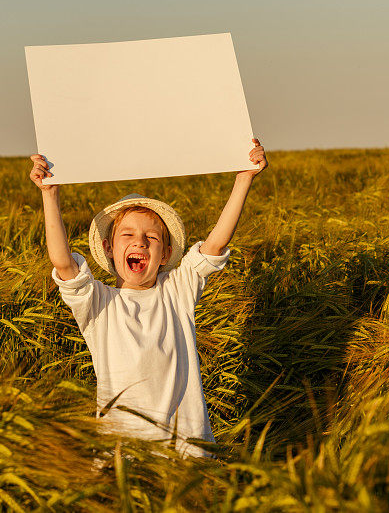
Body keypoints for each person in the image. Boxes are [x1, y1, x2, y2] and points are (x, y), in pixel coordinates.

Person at [29, 139, 268, 458]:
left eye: (151, 237)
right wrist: (50, 194)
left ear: (166, 253)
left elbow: (214, 246)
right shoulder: (99, 304)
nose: (139, 242)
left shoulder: (177, 290)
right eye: (127, 234)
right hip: (123, 455)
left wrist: (243, 178)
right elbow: (63, 264)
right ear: (109, 248)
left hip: (187, 450)